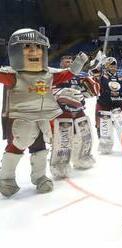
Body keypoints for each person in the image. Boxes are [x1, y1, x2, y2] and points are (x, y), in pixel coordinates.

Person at [0, 28, 88, 197]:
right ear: (16, 51)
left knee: (40, 149)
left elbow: (67, 74)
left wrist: (79, 61)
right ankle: (6, 179)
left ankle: (40, 177)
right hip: (20, 119)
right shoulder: (14, 75)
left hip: (42, 118)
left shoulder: (49, 74)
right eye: (27, 46)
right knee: (16, 147)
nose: (34, 50)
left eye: (39, 47)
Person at [50, 55, 100, 179]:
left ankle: (82, 159)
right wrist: (61, 95)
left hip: (79, 113)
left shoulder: (80, 76)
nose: (69, 63)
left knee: (85, 138)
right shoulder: (56, 75)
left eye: (71, 62)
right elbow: (48, 92)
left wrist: (92, 86)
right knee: (63, 141)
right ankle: (60, 165)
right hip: (62, 114)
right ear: (60, 63)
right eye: (66, 61)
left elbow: (91, 92)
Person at [93, 52, 122, 154]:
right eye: (110, 65)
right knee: (104, 130)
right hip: (104, 106)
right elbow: (92, 74)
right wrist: (98, 63)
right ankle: (105, 147)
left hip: (119, 107)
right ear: (106, 66)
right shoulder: (101, 75)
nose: (113, 67)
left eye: (114, 65)